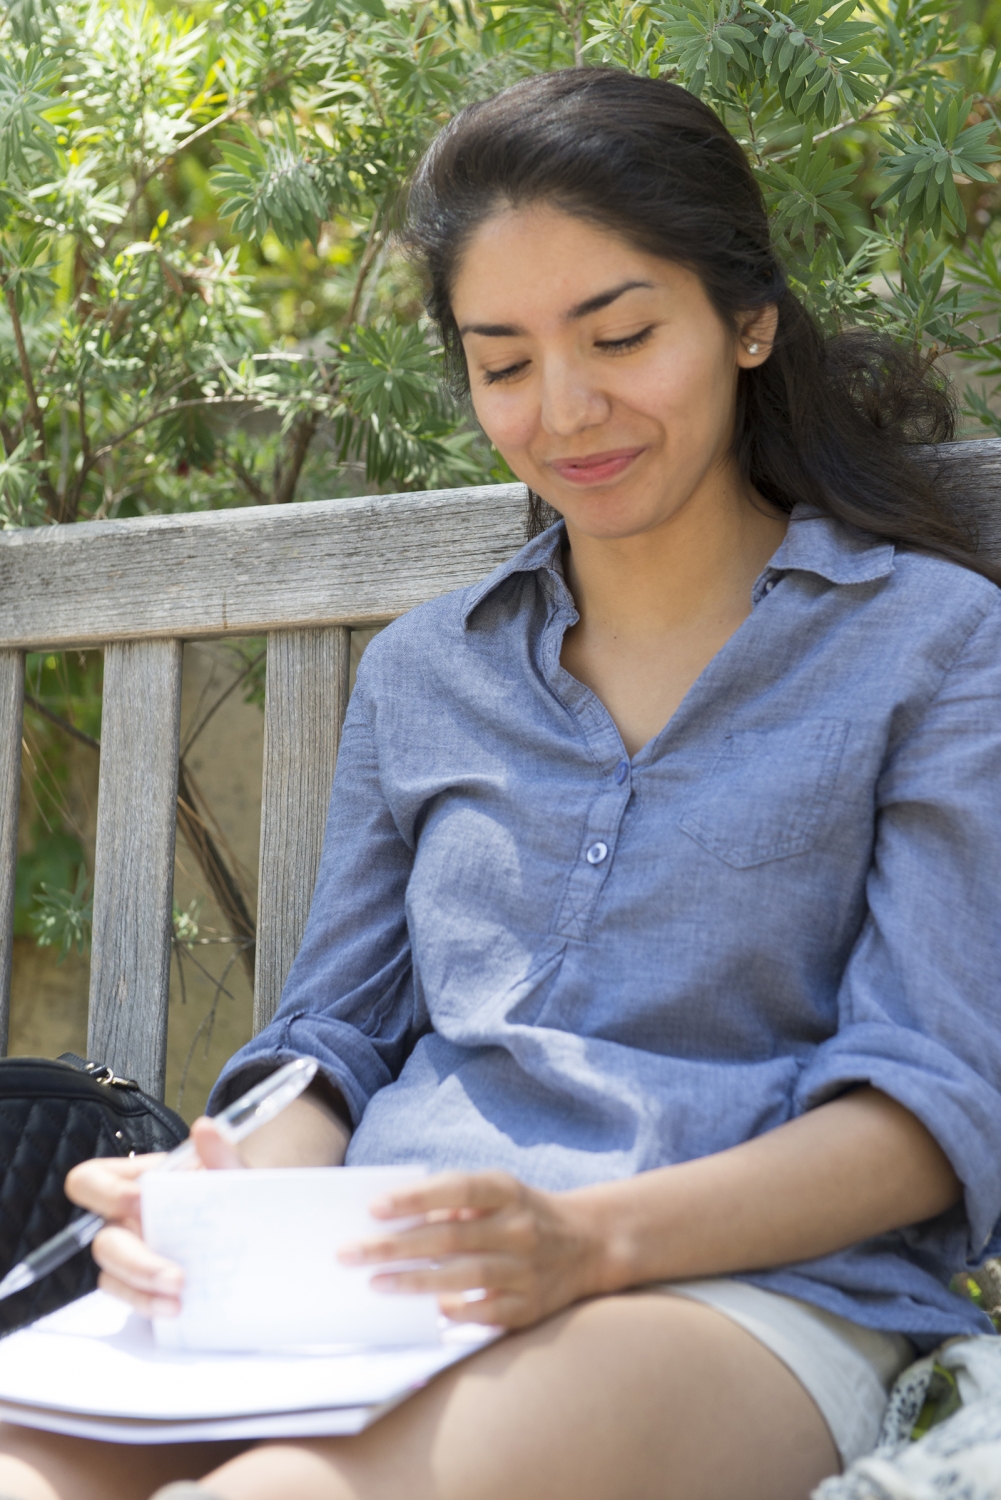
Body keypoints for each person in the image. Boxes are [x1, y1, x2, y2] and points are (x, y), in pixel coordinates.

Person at [2, 65, 1000, 1500]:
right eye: (505, 362)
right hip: (373, 1279)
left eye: (620, 335)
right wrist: (220, 1196)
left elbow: (931, 1106)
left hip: (735, 1297)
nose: (567, 409)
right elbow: (335, 1042)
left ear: (748, 320)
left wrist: (581, 1243)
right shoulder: (428, 675)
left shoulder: (933, 647)